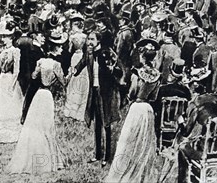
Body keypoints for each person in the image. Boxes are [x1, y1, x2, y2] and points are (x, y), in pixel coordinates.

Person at [8, 35, 66, 174]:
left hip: (38, 95)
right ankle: (48, 157)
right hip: (47, 96)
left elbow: (34, 76)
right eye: (60, 46)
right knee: (47, 127)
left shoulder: (40, 61)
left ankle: (33, 154)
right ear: (55, 48)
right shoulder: (56, 64)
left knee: (36, 125)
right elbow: (63, 82)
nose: (62, 49)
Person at [106, 38, 161, 182]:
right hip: (148, 110)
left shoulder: (137, 73)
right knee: (144, 143)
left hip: (137, 108)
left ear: (142, 56)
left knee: (129, 141)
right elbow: (154, 97)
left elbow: (131, 93)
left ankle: (124, 171)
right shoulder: (157, 75)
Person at [75, 30, 122, 167]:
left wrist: (111, 69)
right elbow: (80, 65)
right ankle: (97, 155)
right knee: (97, 125)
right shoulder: (89, 54)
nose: (89, 42)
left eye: (92, 39)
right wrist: (73, 71)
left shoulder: (107, 53)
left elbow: (119, 71)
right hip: (94, 93)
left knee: (106, 125)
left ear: (98, 41)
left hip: (106, 95)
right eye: (88, 39)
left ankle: (107, 157)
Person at [0, 22, 23, 143]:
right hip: (2, 78)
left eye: (5, 36)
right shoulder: (1, 49)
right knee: (2, 103)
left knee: (11, 103)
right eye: (2, 36)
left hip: (10, 79)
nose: (3, 39)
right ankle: (1, 134)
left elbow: (17, 70)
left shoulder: (15, 51)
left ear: (11, 37)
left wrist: (12, 85)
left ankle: (12, 134)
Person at [63, 15, 89, 121]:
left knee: (73, 81)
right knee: (82, 82)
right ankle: (80, 110)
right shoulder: (85, 36)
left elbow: (69, 50)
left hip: (75, 57)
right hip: (82, 57)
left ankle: (71, 109)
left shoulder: (72, 37)